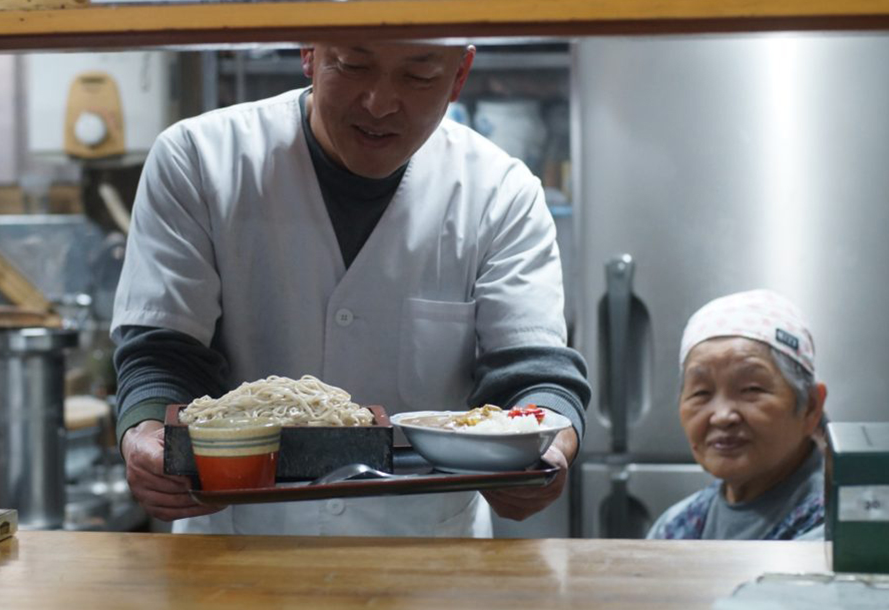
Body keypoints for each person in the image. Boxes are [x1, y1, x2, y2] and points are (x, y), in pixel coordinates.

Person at [111, 40, 590, 538]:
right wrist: (146, 436)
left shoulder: (500, 192)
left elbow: (532, 369)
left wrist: (547, 447)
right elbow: (163, 351)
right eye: (353, 64)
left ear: (460, 75)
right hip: (241, 541)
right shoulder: (199, 160)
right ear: (309, 54)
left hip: (426, 558)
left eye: (419, 76)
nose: (380, 103)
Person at [647, 289, 827, 540]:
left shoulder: (834, 532)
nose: (722, 416)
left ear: (810, 406)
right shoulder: (676, 527)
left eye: (751, 389)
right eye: (701, 392)